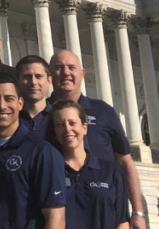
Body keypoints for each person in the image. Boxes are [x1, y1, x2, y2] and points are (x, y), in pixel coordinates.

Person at [48, 50, 146, 229]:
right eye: (59, 68)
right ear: (50, 74)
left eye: (71, 68)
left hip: (103, 205)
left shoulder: (103, 111)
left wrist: (138, 212)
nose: (66, 73)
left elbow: (125, 161)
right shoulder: (43, 113)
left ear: (82, 73)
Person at [0, 73, 65, 229]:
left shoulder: (41, 151)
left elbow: (56, 217)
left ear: (20, 103)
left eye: (9, 98)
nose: (1, 106)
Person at [46, 101, 130, 229]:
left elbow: (121, 222)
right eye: (60, 125)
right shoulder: (50, 173)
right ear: (55, 133)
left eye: (72, 123)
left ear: (84, 128)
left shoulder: (110, 172)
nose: (68, 129)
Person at [16, 56, 54, 138]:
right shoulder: (9, 119)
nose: (33, 82)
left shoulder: (59, 118)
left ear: (49, 81)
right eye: (27, 77)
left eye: (38, 76)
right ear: (17, 81)